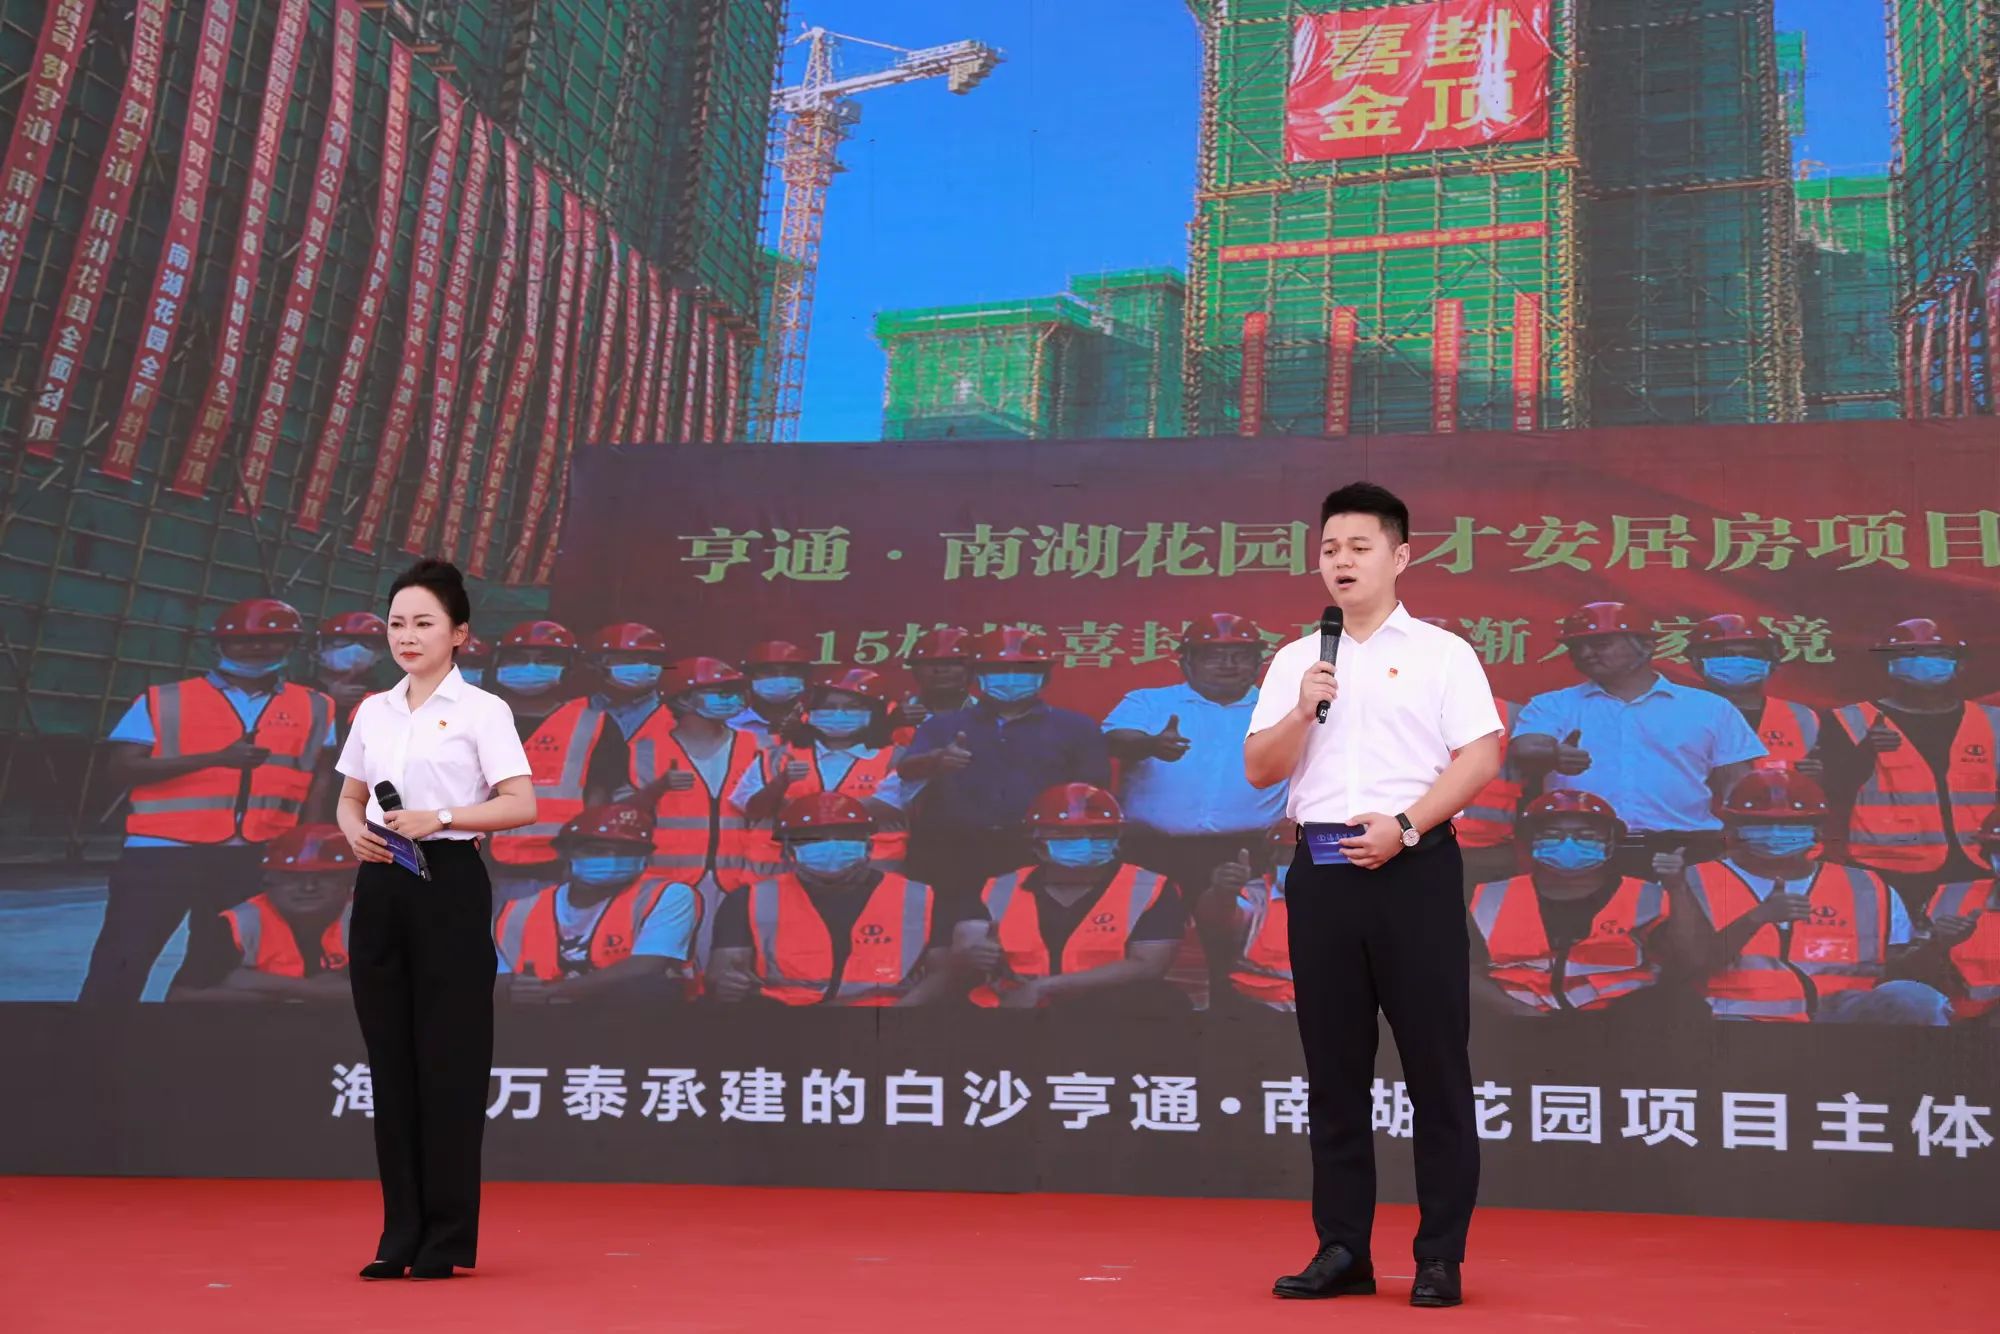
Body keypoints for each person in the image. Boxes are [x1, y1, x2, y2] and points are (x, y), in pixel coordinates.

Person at [1244, 482, 1502, 1310]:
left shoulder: (1441, 652)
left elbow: (1481, 755)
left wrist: (1407, 825)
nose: (1341, 562)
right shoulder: (1298, 660)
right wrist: (1301, 711)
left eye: (1359, 547)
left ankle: (1439, 1257)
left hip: (1412, 868)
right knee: (1334, 1071)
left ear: (1401, 555)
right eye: (1329, 549)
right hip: (1321, 873)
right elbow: (1259, 767)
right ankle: (1342, 1248)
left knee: (1435, 1069)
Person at [335, 558, 536, 1281]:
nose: (407, 636)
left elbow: (521, 804)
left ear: (459, 634)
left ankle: (446, 1238)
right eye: (397, 623)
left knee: (449, 1062)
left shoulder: (484, 711)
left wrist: (441, 817)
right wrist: (351, 828)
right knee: (390, 1063)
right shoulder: (373, 711)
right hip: (382, 882)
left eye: (424, 623)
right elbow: (349, 795)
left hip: (448, 881)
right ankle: (399, 1234)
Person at [81, 597, 340, 1003]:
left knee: (217, 966)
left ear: (291, 646)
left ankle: (194, 1036)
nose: (257, 648)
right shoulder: (163, 699)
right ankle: (94, 1038)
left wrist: (304, 843)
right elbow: (121, 768)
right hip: (162, 851)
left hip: (255, 854)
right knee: (123, 958)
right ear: (220, 644)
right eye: (244, 640)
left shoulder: (316, 706)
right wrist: (216, 759)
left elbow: (318, 780)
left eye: (271, 639)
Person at [1662, 763, 1953, 1024]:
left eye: (1791, 824)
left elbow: (1897, 972)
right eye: (1760, 824)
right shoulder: (1692, 881)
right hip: (1737, 1020)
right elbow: (1687, 967)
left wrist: (1937, 946)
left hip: (1843, 1020)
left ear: (1817, 828)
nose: (1776, 833)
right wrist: (1756, 918)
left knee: (1915, 998)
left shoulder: (1867, 886)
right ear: (1734, 827)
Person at [1512, 602, 1765, 879]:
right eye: (1576, 647)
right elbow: (1526, 747)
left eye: (1600, 644)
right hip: (1584, 850)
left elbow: (1738, 785)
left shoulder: (1710, 708)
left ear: (1646, 646)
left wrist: (1737, 848)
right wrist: (1553, 754)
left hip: (1688, 848)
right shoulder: (1552, 705)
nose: (1585, 654)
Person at [899, 627, 1112, 894]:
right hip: (951, 849)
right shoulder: (941, 726)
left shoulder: (1076, 727)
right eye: (998, 670)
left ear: (1044, 677)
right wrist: (936, 760)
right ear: (977, 675)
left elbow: (1094, 793)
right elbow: (906, 771)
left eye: (1024, 670)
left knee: (1021, 917)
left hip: (1034, 851)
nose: (1011, 678)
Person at [1818, 619, 1999, 915]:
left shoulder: (1992, 721)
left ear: (1960, 663)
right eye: (1911, 653)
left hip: (1977, 865)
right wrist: (1865, 752)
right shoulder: (1847, 720)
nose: (1924, 661)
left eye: (1939, 654)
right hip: (1886, 869)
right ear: (1887, 663)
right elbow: (1831, 792)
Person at [707, 792, 957, 1006]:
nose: (831, 846)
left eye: (844, 836)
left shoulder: (920, 898)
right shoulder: (749, 900)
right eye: (814, 838)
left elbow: (941, 974)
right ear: (788, 851)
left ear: (869, 846)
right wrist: (728, 984)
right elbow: (723, 971)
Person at [951, 783, 1186, 1011]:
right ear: (1036, 839)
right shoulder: (997, 888)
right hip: (1010, 1005)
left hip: (1110, 1010)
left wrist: (1045, 986)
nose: (1085, 841)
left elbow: (1148, 965)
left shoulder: (1149, 887)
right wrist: (973, 953)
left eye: (1099, 833)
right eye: (1067, 833)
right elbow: (966, 945)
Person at [1103, 612, 1287, 900]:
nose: (1228, 665)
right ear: (1186, 662)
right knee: (1151, 923)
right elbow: (1114, 741)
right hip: (1153, 850)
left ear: (1258, 664)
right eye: (1214, 657)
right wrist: (1150, 745)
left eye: (1240, 656)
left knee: (1242, 926)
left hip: (1250, 852)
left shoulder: (1285, 709)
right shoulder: (1148, 701)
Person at [1466, 793, 1674, 1018]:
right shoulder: (1486, 897)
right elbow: (1459, 970)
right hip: (1517, 1022)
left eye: (1586, 836)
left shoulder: (1649, 897)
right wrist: (1516, 1011)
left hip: (1619, 1024)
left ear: (1611, 841)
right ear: (1530, 841)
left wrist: (1679, 888)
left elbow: (1687, 964)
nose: (1568, 844)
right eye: (1552, 835)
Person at [625, 657, 766, 971]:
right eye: (718, 691)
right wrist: (658, 788)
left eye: (733, 691)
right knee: (670, 974)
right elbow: (622, 815)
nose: (729, 698)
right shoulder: (644, 750)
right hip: (666, 883)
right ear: (683, 698)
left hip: (741, 880)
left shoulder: (759, 745)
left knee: (731, 973)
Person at [493, 802, 701, 1004]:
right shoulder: (517, 910)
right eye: (596, 850)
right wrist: (515, 990)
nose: (612, 858)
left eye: (626, 851)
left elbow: (646, 967)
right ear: (566, 853)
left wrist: (555, 990)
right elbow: (497, 976)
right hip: (541, 1014)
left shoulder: (667, 895)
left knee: (648, 988)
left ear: (644, 857)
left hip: (632, 1015)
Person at [484, 620, 630, 903]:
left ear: (570, 668)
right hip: (472, 865)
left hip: (555, 870)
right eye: (519, 658)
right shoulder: (469, 721)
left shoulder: (594, 726)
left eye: (545, 659)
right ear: (499, 664)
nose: (531, 668)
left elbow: (600, 801)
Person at [735, 667, 910, 869]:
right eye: (828, 707)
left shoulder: (897, 759)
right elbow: (751, 808)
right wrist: (780, 783)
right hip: (782, 872)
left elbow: (891, 807)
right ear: (809, 712)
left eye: (852, 708)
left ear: (875, 712)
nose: (838, 714)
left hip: (871, 873)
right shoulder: (777, 757)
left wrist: (791, 805)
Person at [166, 823, 356, 1004]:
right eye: (292, 877)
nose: (309, 887)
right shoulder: (239, 923)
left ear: (349, 883)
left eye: (325, 877)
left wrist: (263, 984)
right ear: (268, 883)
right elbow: (180, 996)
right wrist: (317, 992)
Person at [1420, 617, 1524, 888]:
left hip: (1485, 854)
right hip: (1398, 848)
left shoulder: (1512, 714)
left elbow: (1536, 788)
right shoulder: (1368, 711)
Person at [1687, 614, 1821, 770]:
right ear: (1697, 662)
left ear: (1772, 662)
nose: (1739, 661)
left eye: (1751, 655)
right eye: (1726, 654)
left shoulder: (1801, 716)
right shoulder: (1678, 712)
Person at [1194, 822, 1299, 1013]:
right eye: (1291, 852)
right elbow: (1220, 920)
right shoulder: (1255, 895)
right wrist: (1222, 894)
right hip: (1260, 1008)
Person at [1920, 809, 2000, 1023]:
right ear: (1987, 855)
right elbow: (1909, 974)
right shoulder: (1949, 897)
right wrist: (1939, 944)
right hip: (1954, 1025)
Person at [892, 626, 979, 746]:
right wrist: (890, 725)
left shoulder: (989, 716)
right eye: (930, 663)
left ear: (973, 670)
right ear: (914, 670)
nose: (940, 670)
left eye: (952, 663)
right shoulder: (891, 714)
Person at [583, 621, 669, 743]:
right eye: (630, 658)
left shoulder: (676, 717)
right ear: (598, 664)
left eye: (650, 659)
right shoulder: (573, 711)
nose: (643, 667)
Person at [318, 610, 389, 736]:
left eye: (368, 643)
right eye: (343, 640)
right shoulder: (300, 692)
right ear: (321, 646)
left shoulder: (387, 699)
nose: (355, 649)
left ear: (379, 653)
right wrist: (327, 699)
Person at [729, 640, 813, 745]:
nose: (781, 679)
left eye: (790, 672)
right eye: (769, 672)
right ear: (750, 677)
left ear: (804, 677)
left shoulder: (817, 726)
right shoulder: (732, 724)